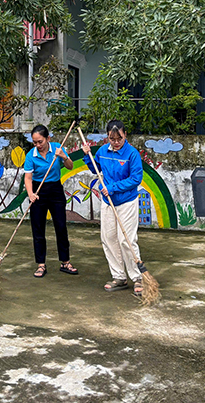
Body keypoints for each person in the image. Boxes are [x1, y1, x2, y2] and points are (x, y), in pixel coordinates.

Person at [81, 119, 144, 297]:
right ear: (107, 137)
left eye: (119, 138)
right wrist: (87, 155)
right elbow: (95, 169)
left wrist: (113, 188)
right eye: (112, 139)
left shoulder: (132, 154)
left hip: (126, 201)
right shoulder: (103, 151)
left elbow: (135, 179)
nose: (116, 142)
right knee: (108, 238)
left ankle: (137, 277)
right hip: (108, 202)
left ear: (125, 136)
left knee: (126, 240)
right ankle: (119, 277)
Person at [24, 124, 77, 278]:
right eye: (35, 142)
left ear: (48, 138)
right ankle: (41, 264)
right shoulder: (31, 155)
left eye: (40, 141)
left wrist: (63, 156)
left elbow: (70, 165)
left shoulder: (57, 148)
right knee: (38, 228)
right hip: (38, 190)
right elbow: (28, 178)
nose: (38, 145)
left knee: (60, 226)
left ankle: (65, 262)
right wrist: (31, 194)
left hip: (55, 190)